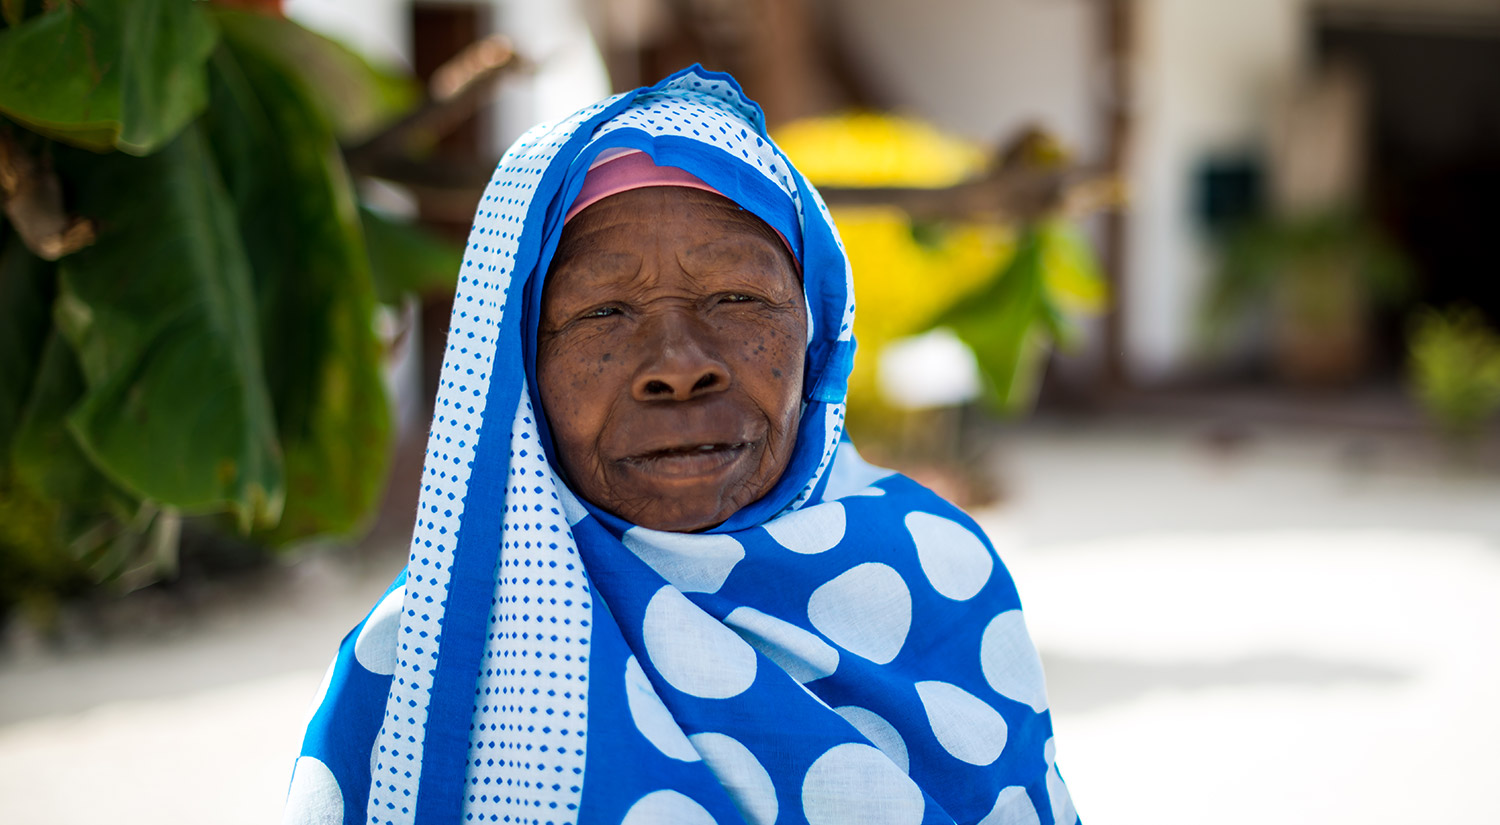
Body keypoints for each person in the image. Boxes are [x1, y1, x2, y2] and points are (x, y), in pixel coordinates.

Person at [285, 65, 1077, 825]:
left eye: (737, 297)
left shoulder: (941, 575)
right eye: (602, 313)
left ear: (815, 334)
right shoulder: (423, 660)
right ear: (519, 365)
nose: (678, 364)